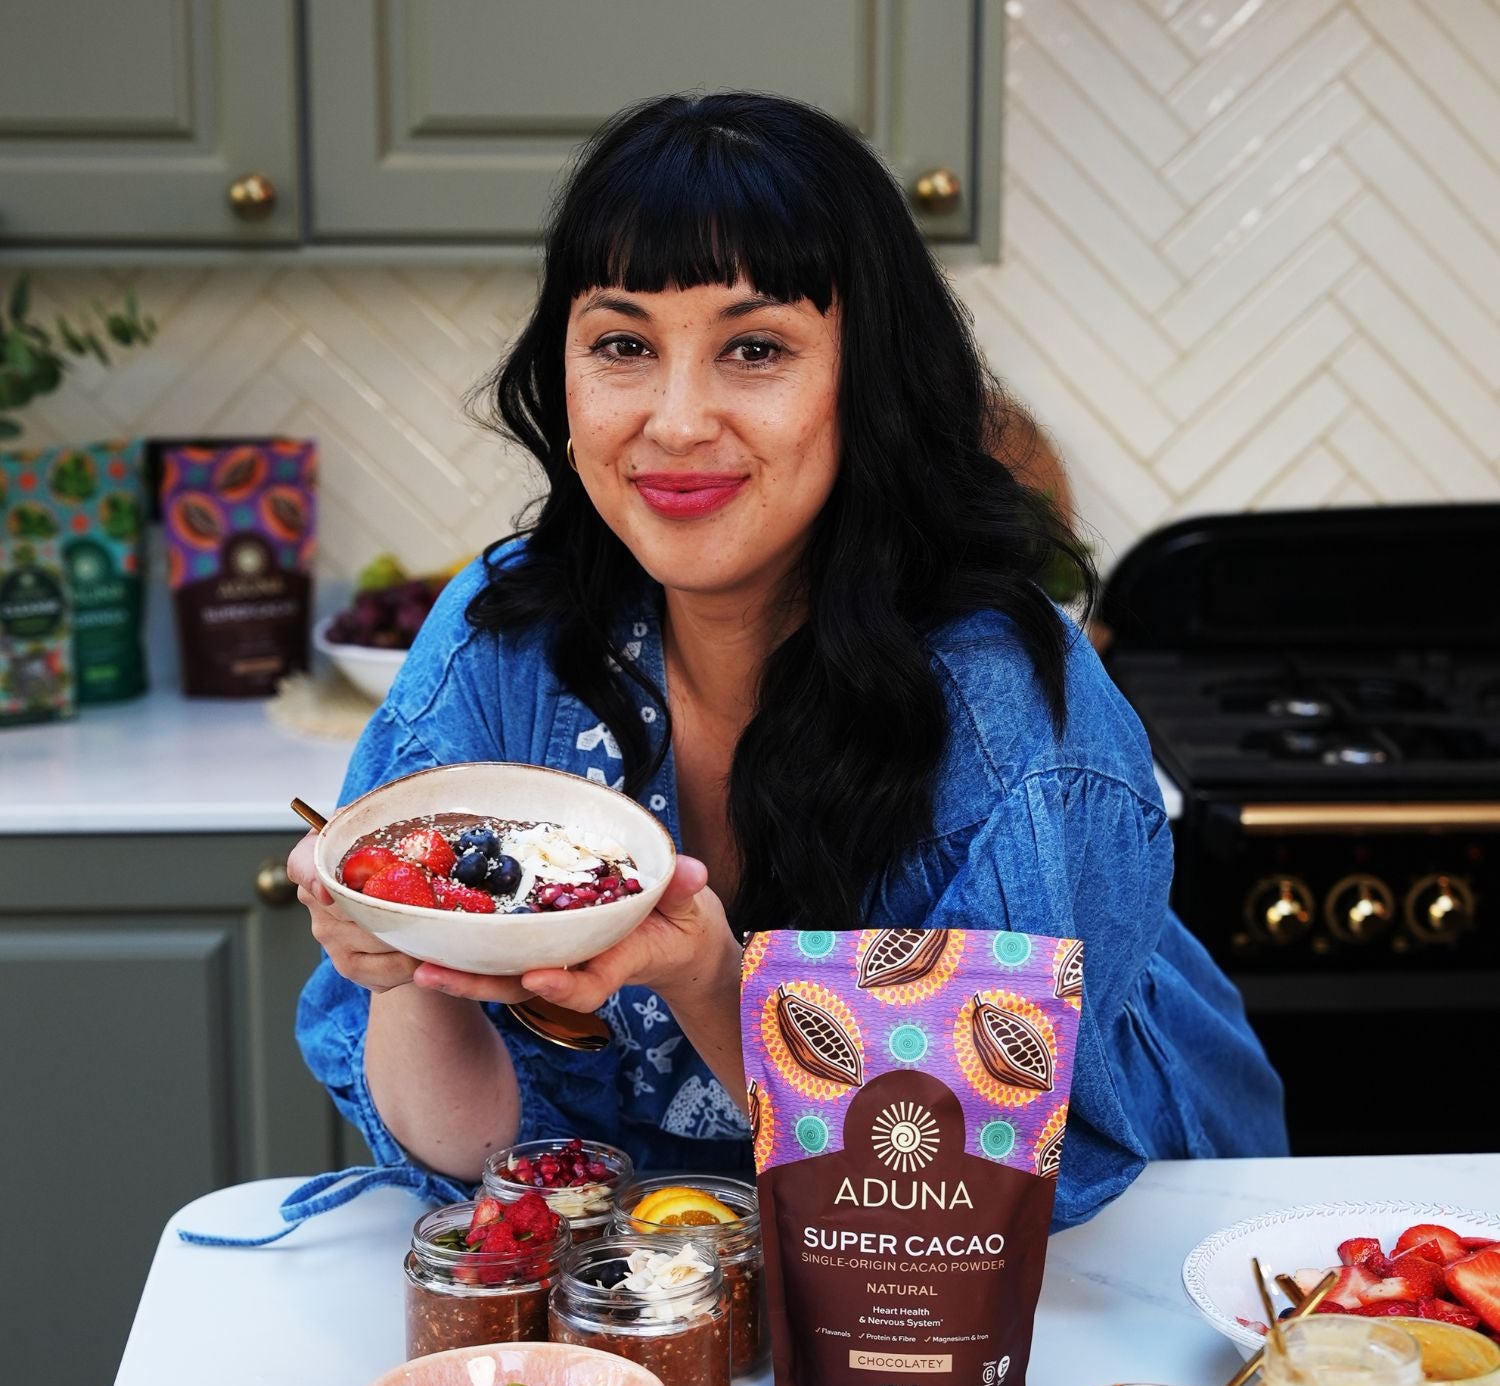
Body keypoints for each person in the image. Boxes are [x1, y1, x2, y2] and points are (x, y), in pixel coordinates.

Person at [290, 91, 1286, 1231]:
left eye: (754, 349)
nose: (673, 420)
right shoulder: (505, 637)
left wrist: (711, 982)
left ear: (868, 385)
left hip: (1092, 1263)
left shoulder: (1001, 708)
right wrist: (407, 965)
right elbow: (480, 1156)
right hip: (677, 1263)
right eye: (622, 345)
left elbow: (947, 1192)